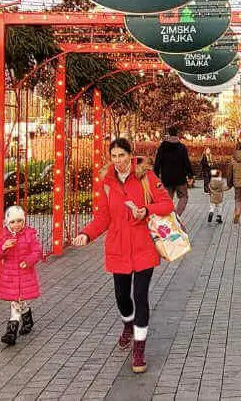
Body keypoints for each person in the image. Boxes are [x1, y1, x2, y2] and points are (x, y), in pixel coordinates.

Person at [72, 138, 174, 374]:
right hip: (118, 247)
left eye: (122, 155)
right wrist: (86, 235)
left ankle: (139, 348)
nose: (118, 161)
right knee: (121, 297)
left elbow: (167, 204)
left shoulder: (146, 177)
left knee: (140, 295)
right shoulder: (106, 183)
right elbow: (102, 217)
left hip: (143, 247)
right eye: (114, 156)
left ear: (131, 155)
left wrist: (146, 210)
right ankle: (127, 324)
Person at [0, 206, 42, 346]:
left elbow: (37, 252)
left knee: (16, 302)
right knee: (18, 300)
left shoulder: (29, 235)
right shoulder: (3, 236)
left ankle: (11, 333)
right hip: (10, 275)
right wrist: (4, 247)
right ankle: (27, 317)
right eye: (13, 222)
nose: (16, 225)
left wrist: (28, 261)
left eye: (19, 221)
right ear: (7, 222)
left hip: (24, 274)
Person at [153, 126, 193, 216]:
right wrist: (190, 175)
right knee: (184, 197)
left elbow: (157, 163)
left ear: (169, 133)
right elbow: (187, 162)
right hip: (180, 179)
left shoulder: (162, 147)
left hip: (166, 179)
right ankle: (177, 215)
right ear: (177, 133)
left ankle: (170, 217)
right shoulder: (182, 147)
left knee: (167, 200)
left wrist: (155, 177)